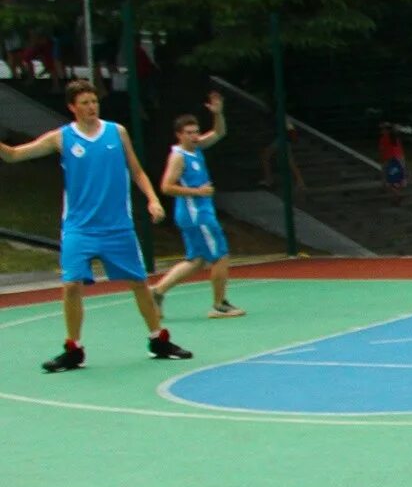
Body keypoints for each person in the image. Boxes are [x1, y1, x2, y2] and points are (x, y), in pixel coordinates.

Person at [0, 79, 193, 371]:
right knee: (71, 284)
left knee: (139, 283)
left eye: (94, 102)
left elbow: (137, 170)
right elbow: (14, 155)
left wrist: (153, 199)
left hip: (117, 226)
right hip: (79, 227)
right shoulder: (62, 138)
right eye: (85, 103)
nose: (92, 107)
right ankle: (74, 350)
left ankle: (158, 340)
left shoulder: (117, 132)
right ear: (72, 107)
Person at [152, 93, 244, 319]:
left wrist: (218, 113)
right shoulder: (179, 157)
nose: (194, 136)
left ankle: (157, 292)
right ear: (179, 135)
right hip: (197, 215)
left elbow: (220, 133)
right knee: (220, 255)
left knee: (196, 260)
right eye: (189, 133)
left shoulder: (197, 148)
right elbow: (166, 186)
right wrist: (198, 192)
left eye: (196, 132)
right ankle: (219, 304)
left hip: (196, 214)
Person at [259, 120, 306, 194]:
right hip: (282, 139)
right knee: (289, 161)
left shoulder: (284, 117)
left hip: (282, 139)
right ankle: (300, 182)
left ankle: (269, 179)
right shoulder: (281, 116)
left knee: (266, 156)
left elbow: (290, 128)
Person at [376, 122, 408, 203]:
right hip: (400, 159)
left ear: (386, 130)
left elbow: (382, 150)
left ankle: (397, 195)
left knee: (388, 178)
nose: (381, 131)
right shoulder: (395, 137)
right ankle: (396, 196)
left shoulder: (384, 138)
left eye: (382, 129)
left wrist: (382, 158)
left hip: (390, 160)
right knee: (398, 178)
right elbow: (400, 149)